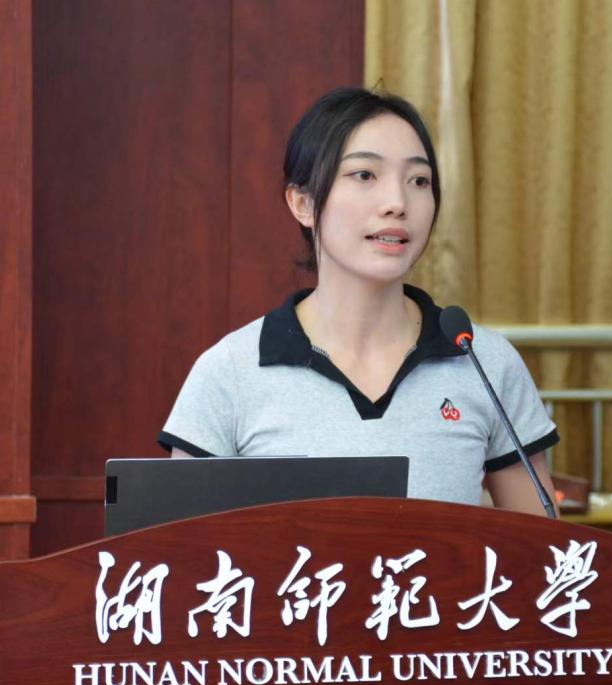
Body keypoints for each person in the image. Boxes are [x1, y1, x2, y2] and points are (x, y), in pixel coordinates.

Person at [158, 87, 558, 515]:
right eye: (365, 175)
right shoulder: (231, 371)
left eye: (419, 181)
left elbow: (545, 547)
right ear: (303, 203)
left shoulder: (484, 361)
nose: (397, 203)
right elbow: (182, 547)